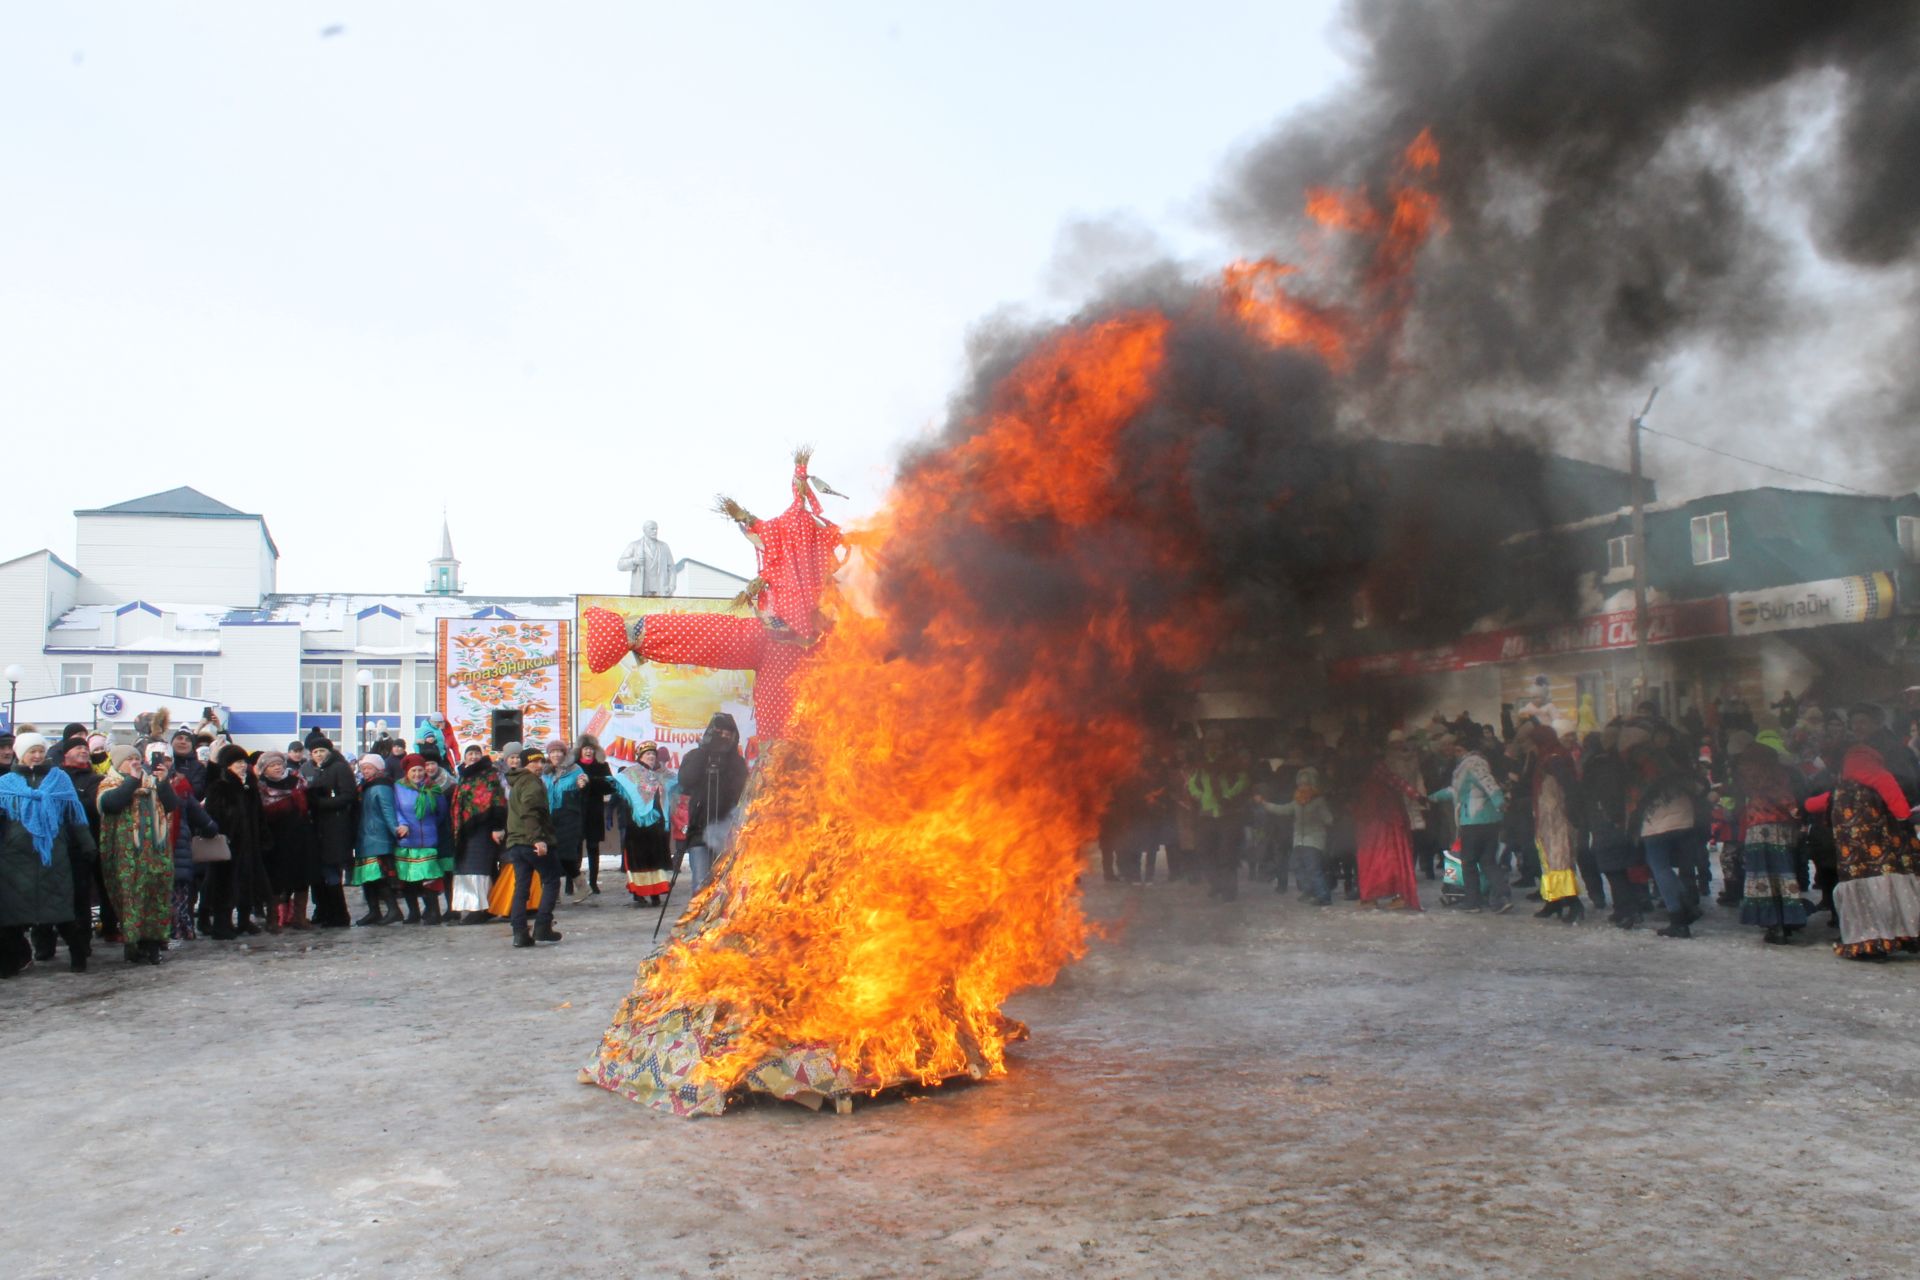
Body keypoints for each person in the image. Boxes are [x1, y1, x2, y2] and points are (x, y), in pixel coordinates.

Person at [1806, 743, 1920, 959]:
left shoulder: (1840, 789)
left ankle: (1867, 942)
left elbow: (1812, 805)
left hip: (1853, 864)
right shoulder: (1882, 778)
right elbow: (1901, 811)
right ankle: (1899, 934)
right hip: (1884, 858)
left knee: (1863, 900)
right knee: (1888, 894)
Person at [0, 732, 98, 976]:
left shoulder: (59, 779)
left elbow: (75, 818)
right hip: (15, 858)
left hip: (53, 856)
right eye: (31, 751)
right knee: (11, 916)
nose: (37, 755)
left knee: (61, 912)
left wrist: (88, 846)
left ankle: (78, 956)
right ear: (19, 754)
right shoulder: (6, 783)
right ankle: (8, 964)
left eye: (40, 750)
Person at [96, 745, 178, 964]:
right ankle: (134, 944)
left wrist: (163, 783)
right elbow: (112, 804)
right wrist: (132, 781)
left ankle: (153, 944)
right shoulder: (109, 784)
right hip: (127, 857)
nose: (134, 762)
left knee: (156, 895)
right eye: (128, 759)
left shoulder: (152, 784)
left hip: (155, 854)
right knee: (131, 898)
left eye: (136, 758)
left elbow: (171, 805)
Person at [1626, 729, 1704, 939]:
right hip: (1684, 815)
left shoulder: (1637, 764)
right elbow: (1694, 784)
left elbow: (1636, 796)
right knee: (1672, 867)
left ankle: (1678, 918)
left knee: (1660, 868)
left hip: (1656, 822)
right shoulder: (1666, 758)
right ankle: (1687, 906)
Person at [1731, 740, 1807, 944]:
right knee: (1783, 875)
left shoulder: (1752, 779)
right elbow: (1788, 800)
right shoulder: (1778, 775)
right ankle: (1787, 919)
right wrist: (1797, 816)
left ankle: (1773, 922)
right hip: (1781, 830)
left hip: (1759, 831)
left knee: (1763, 878)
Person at [1431, 733, 1510, 913]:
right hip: (1490, 821)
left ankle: (1473, 902)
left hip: (1473, 820)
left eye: (1459, 749)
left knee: (1468, 862)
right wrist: (1433, 797)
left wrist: (1499, 801)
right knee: (1488, 861)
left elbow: (1488, 784)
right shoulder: (1474, 764)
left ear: (1468, 750)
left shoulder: (1472, 763)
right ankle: (1501, 898)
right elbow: (1456, 791)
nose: (1456, 753)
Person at [1581, 724, 1648, 928]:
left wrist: (1612, 816)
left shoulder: (1603, 763)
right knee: (1622, 865)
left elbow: (1604, 793)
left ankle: (1626, 910)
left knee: (1613, 867)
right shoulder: (1625, 761)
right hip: (1627, 819)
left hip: (1609, 820)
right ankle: (1626, 908)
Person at [202, 744, 270, 938]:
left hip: (249, 843)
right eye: (237, 762)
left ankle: (244, 920)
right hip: (228, 843)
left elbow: (258, 815)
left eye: (244, 762)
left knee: (246, 882)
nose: (242, 766)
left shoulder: (250, 786)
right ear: (228, 765)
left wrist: (262, 836)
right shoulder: (220, 786)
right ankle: (221, 923)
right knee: (223, 884)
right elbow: (214, 814)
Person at [679, 713, 749, 894]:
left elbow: (742, 792)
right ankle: (699, 920)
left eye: (728, 733)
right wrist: (704, 751)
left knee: (726, 885)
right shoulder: (696, 756)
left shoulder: (737, 762)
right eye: (719, 732)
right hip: (699, 830)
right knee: (701, 884)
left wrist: (728, 760)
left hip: (727, 832)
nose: (724, 737)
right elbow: (686, 781)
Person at [155, 755, 219, 942]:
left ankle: (171, 931)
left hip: (175, 851)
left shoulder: (180, 790)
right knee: (179, 894)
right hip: (176, 851)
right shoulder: (181, 789)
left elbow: (206, 822)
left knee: (174, 893)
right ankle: (180, 929)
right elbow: (207, 824)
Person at [504, 745, 561, 947]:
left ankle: (519, 933)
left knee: (522, 887)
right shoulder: (531, 783)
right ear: (525, 764)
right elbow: (530, 811)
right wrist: (538, 839)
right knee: (552, 880)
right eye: (534, 762)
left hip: (516, 843)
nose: (539, 765)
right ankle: (542, 926)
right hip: (530, 842)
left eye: (540, 761)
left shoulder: (517, 781)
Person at [256, 751, 318, 930]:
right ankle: (273, 919)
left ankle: (300, 917)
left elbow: (309, 805)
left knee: (301, 877)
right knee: (276, 880)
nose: (277, 767)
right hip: (276, 839)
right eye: (271, 765)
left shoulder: (297, 782)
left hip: (300, 837)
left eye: (278, 764)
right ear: (264, 770)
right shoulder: (261, 788)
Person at [1529, 726, 1585, 923]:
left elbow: (1569, 784)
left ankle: (1573, 903)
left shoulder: (1553, 758)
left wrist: (1569, 809)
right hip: (1548, 815)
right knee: (1549, 857)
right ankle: (1553, 899)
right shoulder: (1550, 755)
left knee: (1558, 857)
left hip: (1556, 816)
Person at [1353, 755, 1424, 910]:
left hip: (1376, 823)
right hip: (1383, 822)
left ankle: (1379, 895)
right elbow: (1399, 783)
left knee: (1377, 860)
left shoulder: (1372, 779)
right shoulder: (1381, 778)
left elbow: (1397, 782)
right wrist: (1417, 796)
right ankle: (1393, 895)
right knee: (1388, 859)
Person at [448, 744, 506, 924]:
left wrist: (497, 826)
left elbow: (498, 801)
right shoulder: (464, 776)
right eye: (469, 754)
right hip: (465, 830)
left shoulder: (489, 775)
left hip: (482, 828)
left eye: (476, 754)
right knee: (466, 868)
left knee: (478, 868)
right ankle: (474, 906)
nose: (473, 757)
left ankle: (481, 908)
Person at [611, 741, 674, 906]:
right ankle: (638, 892)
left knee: (655, 858)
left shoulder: (660, 774)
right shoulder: (630, 773)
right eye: (648, 754)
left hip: (656, 823)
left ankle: (655, 892)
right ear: (640, 757)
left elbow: (675, 785)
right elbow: (619, 788)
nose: (651, 757)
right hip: (636, 825)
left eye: (653, 754)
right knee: (638, 859)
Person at [1260, 766, 1334, 906]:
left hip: (1314, 841)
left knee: (1313, 868)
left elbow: (1328, 819)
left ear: (1313, 785)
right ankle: (1309, 890)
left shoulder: (1319, 802)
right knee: (1296, 865)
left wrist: (1326, 818)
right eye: (1301, 784)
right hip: (1299, 840)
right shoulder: (1297, 802)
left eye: (1306, 784)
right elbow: (1282, 809)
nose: (1303, 787)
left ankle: (1323, 896)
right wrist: (1265, 804)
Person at [387, 753, 447, 924]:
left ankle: (433, 912)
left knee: (428, 877)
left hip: (428, 840)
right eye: (414, 770)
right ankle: (413, 912)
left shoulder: (433, 788)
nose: (417, 774)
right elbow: (395, 809)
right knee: (408, 879)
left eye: (420, 770)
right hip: (407, 838)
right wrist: (402, 824)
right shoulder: (398, 788)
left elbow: (441, 812)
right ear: (407, 771)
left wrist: (430, 825)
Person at [304, 735, 356, 928]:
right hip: (317, 827)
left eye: (321, 751)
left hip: (335, 827)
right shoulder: (310, 769)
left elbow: (348, 795)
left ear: (329, 751)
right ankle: (324, 911)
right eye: (315, 752)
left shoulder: (339, 768)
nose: (318, 755)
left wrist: (321, 803)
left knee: (332, 871)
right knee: (320, 872)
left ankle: (339, 914)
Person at [1188, 744, 1251, 902]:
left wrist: (1228, 795)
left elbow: (1244, 780)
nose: (1213, 746)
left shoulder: (1232, 763)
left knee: (1227, 854)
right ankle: (1217, 883)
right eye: (1210, 742)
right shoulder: (1202, 765)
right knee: (1204, 850)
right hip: (1207, 814)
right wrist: (1199, 795)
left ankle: (1229, 891)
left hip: (1228, 813)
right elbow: (1191, 783)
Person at [350, 754, 405, 926]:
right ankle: (374, 911)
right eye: (363, 768)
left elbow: (388, 810)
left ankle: (393, 910)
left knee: (379, 877)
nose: (365, 771)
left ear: (378, 768)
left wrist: (395, 830)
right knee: (367, 877)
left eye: (369, 768)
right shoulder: (366, 786)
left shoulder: (381, 786)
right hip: (366, 837)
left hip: (377, 837)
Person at [540, 739, 588, 902]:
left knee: (566, 855)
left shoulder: (575, 769)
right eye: (552, 752)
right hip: (549, 817)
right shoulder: (545, 772)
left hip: (569, 817)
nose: (555, 755)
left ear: (564, 753)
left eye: (558, 751)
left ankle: (582, 886)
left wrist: (582, 783)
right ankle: (554, 892)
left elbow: (583, 779)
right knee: (550, 855)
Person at [576, 736, 613, 897]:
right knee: (575, 848)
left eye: (591, 748)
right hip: (577, 811)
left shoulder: (602, 766)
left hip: (594, 811)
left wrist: (591, 781)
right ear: (580, 751)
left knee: (593, 847)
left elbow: (610, 786)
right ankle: (573, 881)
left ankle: (593, 882)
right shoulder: (574, 766)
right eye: (586, 748)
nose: (589, 751)